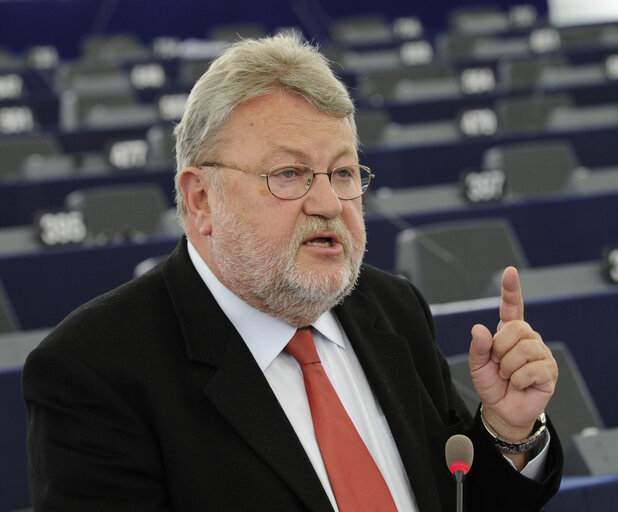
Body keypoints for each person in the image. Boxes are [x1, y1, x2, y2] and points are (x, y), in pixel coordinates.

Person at [23, 34, 562, 511]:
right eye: (289, 174)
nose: (329, 202)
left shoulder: (394, 309)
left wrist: (508, 431)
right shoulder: (94, 370)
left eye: (344, 171)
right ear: (201, 199)